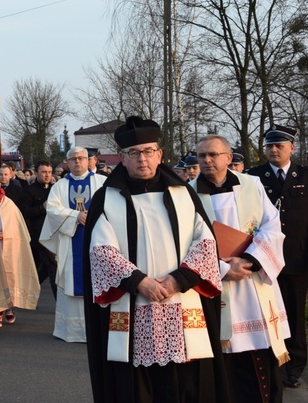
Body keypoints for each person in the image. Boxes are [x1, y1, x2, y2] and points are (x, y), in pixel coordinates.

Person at [84, 116, 228, 403]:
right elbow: (101, 252)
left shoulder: (183, 193)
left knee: (188, 383)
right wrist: (140, 282)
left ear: (160, 154)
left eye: (148, 151)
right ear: (122, 158)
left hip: (182, 302)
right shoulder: (106, 197)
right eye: (133, 153)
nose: (142, 159)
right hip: (133, 304)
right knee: (136, 387)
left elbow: (206, 242)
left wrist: (179, 279)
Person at [193, 134, 289, 401]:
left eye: (213, 155)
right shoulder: (187, 193)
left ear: (228, 157)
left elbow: (272, 226)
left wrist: (250, 260)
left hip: (253, 282)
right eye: (202, 156)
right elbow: (184, 244)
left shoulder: (252, 185)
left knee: (259, 355)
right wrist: (222, 270)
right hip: (214, 285)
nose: (207, 160)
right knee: (222, 360)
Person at [248, 125, 308, 389]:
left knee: (294, 313)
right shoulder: (253, 177)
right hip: (264, 258)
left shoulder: (304, 176)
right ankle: (273, 363)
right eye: (269, 146)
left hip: (297, 258)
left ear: (291, 148)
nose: (273, 150)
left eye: (279, 146)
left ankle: (294, 366)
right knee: (268, 313)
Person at [40, 147, 106, 342]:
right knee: (71, 279)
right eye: (73, 159)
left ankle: (97, 329)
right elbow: (52, 210)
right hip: (70, 242)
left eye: (81, 158)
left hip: (98, 241)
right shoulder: (59, 187)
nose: (77, 162)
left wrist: (91, 216)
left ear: (89, 161)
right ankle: (70, 330)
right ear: (66, 162)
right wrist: (76, 216)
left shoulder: (102, 183)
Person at [0, 173, 39, 327]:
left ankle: (10, 308)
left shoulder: (9, 204)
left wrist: (6, 234)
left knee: (9, 275)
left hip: (8, 246)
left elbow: (17, 226)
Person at [19, 160, 56, 297]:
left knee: (46, 268)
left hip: (54, 233)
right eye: (44, 172)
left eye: (49, 172)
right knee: (53, 267)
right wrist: (42, 208)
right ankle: (59, 302)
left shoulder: (55, 189)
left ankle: (27, 292)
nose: (47, 175)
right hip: (39, 235)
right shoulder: (29, 192)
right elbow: (24, 212)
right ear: (36, 173)